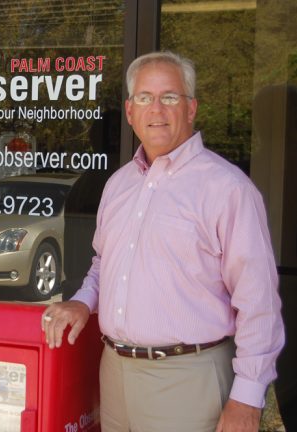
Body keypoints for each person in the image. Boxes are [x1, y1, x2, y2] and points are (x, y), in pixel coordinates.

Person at [42, 51, 284, 432]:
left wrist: (247, 397)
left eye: (170, 97)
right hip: (115, 374)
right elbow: (104, 265)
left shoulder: (227, 188)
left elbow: (259, 302)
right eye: (144, 97)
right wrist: (81, 302)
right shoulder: (119, 184)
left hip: (189, 379)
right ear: (129, 110)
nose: (156, 108)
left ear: (191, 109)